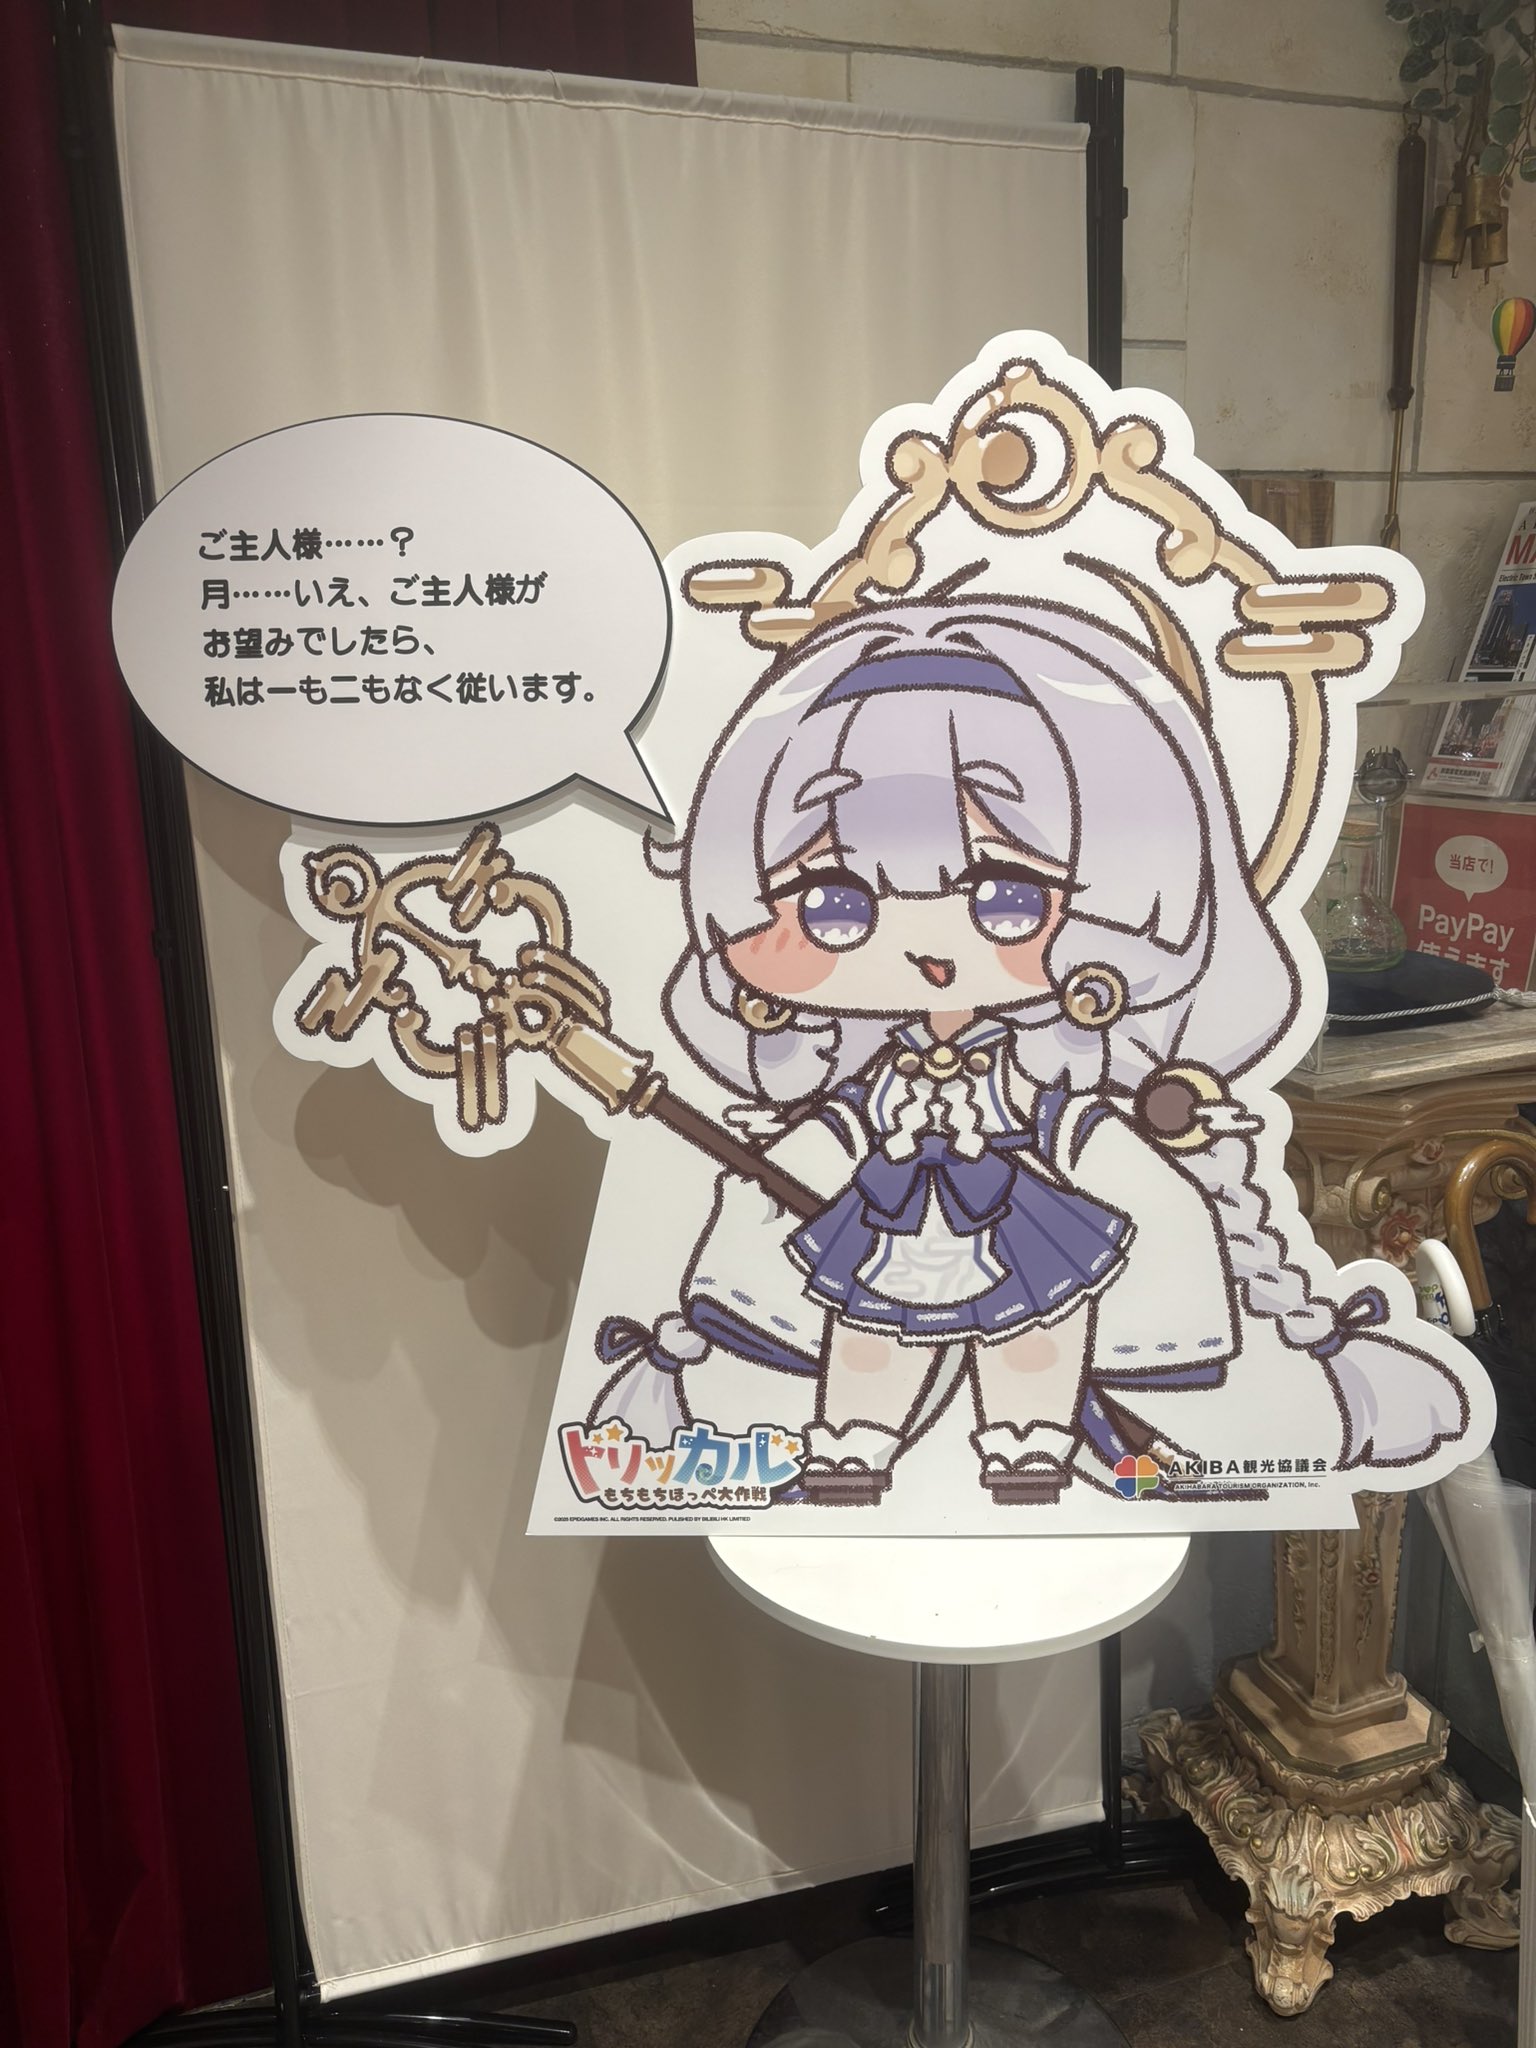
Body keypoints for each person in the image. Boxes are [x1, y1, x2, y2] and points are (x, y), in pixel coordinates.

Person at [612, 593, 1469, 1506]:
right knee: (866, 1336)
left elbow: (1081, 1130)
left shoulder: (1036, 1064)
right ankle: (856, 1444)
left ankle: (1030, 1445)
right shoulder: (874, 1066)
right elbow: (835, 1125)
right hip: (884, 1214)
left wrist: (1170, 1168)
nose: (925, 940)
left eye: (1004, 897)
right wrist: (774, 1172)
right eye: (835, 903)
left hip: (1019, 1207)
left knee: (1037, 1334)